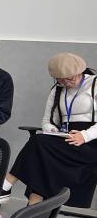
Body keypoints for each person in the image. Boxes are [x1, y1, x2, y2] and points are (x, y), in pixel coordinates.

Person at [6, 53, 97, 207]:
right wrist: (52, 130)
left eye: (70, 78)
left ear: (80, 71)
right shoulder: (57, 90)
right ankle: (32, 210)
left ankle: (8, 185)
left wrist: (85, 135)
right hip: (67, 138)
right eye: (61, 80)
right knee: (41, 153)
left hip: (91, 141)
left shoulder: (94, 83)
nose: (66, 83)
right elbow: (47, 120)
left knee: (38, 144)